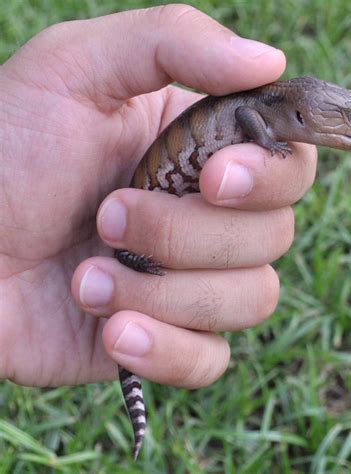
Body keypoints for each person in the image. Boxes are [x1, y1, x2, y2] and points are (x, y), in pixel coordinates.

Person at [0, 5, 317, 390]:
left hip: (98, 258)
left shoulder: (271, 106)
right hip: (137, 210)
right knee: (132, 255)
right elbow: (249, 118)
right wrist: (267, 143)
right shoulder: (261, 109)